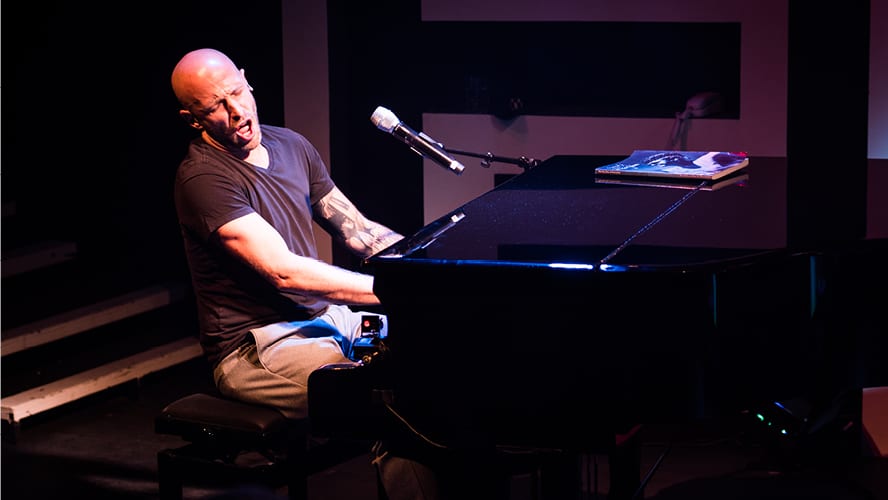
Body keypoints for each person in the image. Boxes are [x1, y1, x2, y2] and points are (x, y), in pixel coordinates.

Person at [170, 48, 449, 499]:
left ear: (247, 79)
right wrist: (395, 291)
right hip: (258, 345)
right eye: (216, 106)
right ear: (192, 119)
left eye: (237, 92)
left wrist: (437, 264)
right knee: (390, 403)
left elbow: (359, 232)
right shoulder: (202, 179)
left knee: (446, 358)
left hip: (328, 320)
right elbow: (284, 273)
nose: (237, 111)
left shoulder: (291, 146)